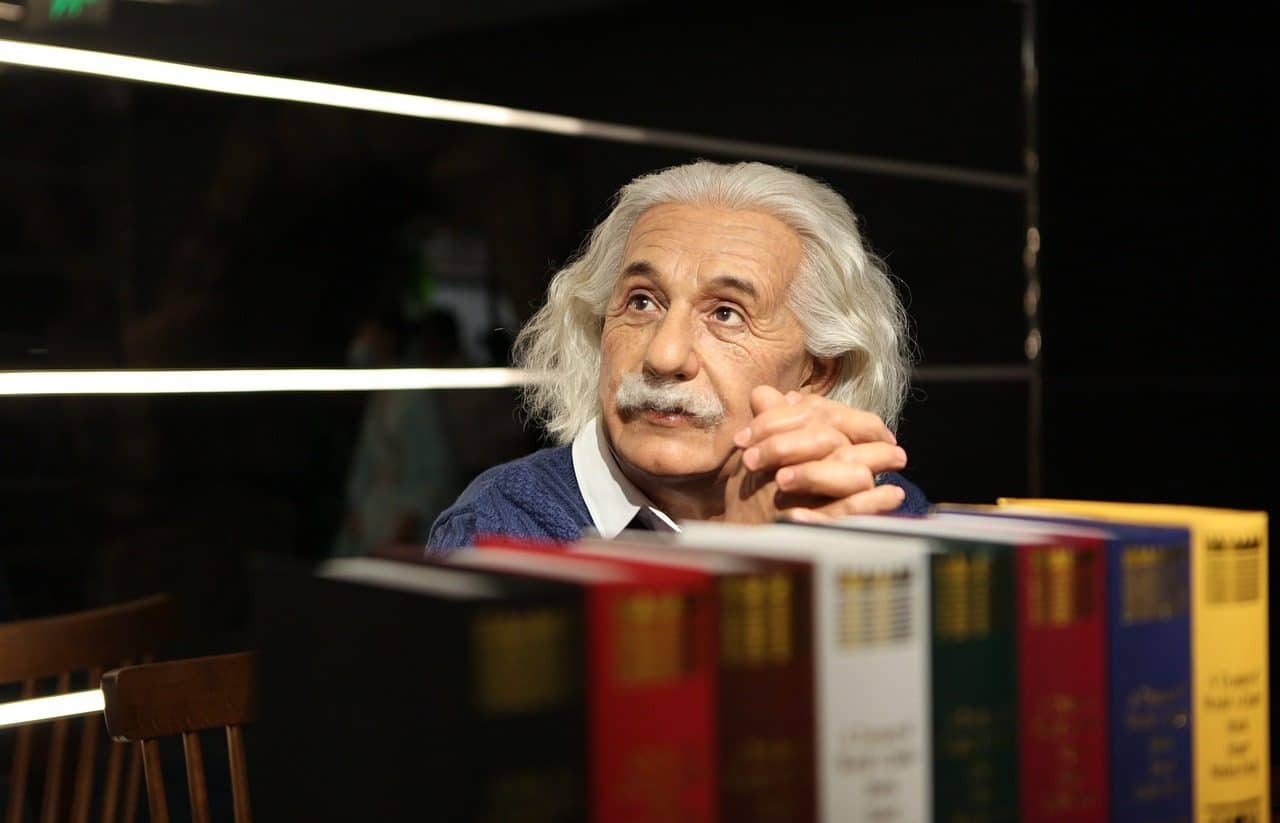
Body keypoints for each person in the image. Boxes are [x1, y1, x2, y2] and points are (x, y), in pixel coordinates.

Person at [427, 159, 927, 553]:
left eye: (727, 314)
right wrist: (742, 561)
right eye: (642, 302)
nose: (665, 357)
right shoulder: (502, 529)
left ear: (818, 372)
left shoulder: (870, 509)